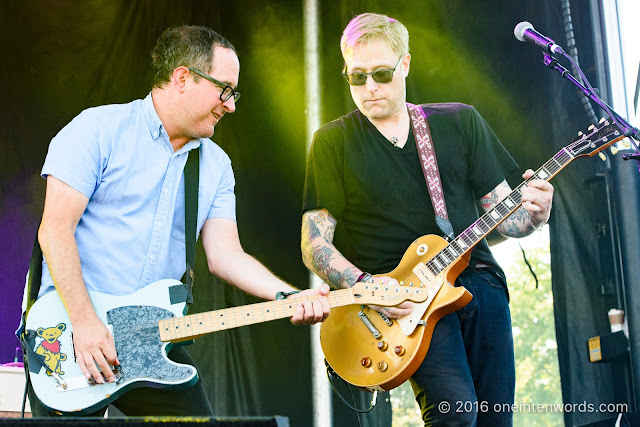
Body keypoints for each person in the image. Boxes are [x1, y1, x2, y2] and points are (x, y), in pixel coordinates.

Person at [19, 25, 330, 417]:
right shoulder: (96, 130)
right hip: (70, 331)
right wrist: (86, 323)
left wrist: (288, 296)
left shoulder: (215, 165)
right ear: (183, 77)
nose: (231, 105)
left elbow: (225, 255)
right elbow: (55, 231)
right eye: (225, 90)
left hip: (152, 335)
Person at [301, 13, 553, 426]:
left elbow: (507, 221)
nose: (369, 88)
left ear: (405, 65)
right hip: (401, 305)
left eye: (381, 73)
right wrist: (366, 286)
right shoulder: (332, 142)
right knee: (455, 415)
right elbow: (315, 245)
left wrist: (536, 215)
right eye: (356, 77)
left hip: (479, 283)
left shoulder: (459, 121)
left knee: (495, 419)